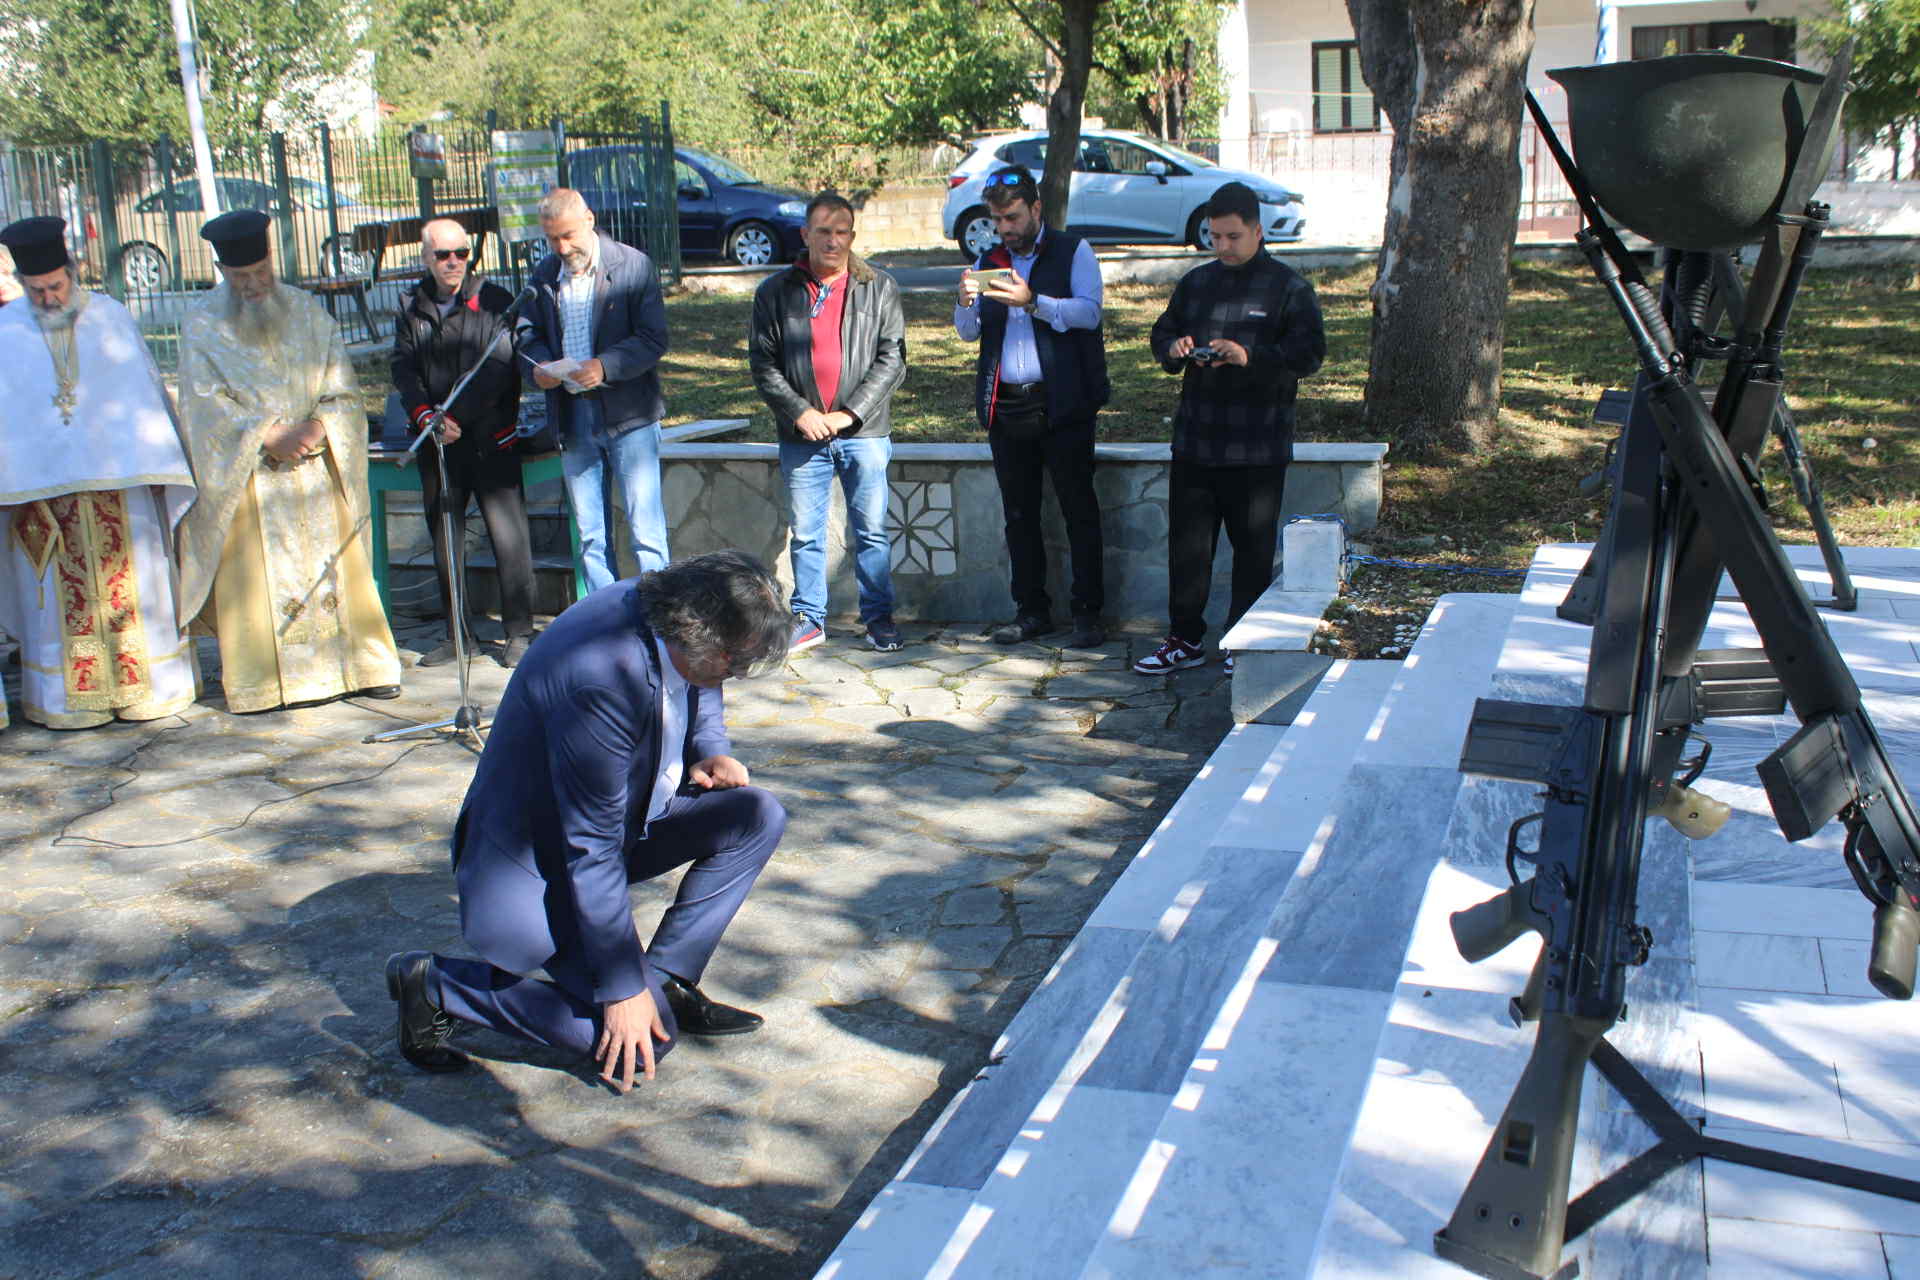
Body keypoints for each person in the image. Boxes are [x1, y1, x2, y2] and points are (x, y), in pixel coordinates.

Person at [384, 550, 792, 1092]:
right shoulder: (601, 680)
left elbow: (706, 682)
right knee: (647, 1042)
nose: (734, 676)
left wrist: (709, 746)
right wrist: (621, 989)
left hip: (628, 820)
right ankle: (437, 985)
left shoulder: (674, 605)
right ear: (700, 638)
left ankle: (666, 982)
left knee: (756, 815)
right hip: (541, 863)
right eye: (733, 663)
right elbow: (591, 847)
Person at [174, 210, 404, 712]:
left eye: (261, 272)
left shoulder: (307, 311)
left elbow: (343, 388)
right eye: (241, 277)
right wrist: (267, 434)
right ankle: (267, 684)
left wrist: (319, 427)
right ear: (222, 271)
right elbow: (202, 406)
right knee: (260, 581)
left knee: (339, 573)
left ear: (271, 261)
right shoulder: (202, 324)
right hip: (251, 478)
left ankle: (363, 667)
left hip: (316, 469)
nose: (254, 285)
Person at [0, 216, 197, 731]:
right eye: (37, 290)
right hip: (42, 500)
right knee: (53, 599)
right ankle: (70, 701)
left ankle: (148, 689)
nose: (48, 298)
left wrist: (155, 464)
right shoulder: (7, 331)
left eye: (56, 286)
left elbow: (143, 401)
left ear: (72, 272)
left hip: (122, 491)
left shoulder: (110, 318)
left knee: (137, 584)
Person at [1135, 182, 1326, 676]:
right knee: (1188, 549)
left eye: (1233, 236)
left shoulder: (1288, 288)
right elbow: (1162, 332)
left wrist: (1249, 356)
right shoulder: (1196, 283)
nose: (1223, 246)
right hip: (1196, 442)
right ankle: (1184, 638)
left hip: (1257, 446)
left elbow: (1309, 355)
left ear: (1258, 231)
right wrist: (1174, 349)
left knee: (1252, 551)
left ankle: (1244, 643)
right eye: (1214, 236)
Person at [954, 164, 1109, 649]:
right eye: (998, 220)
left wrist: (1033, 301)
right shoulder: (990, 259)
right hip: (1007, 406)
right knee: (1019, 516)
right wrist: (964, 301)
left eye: (1014, 217)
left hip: (1063, 403)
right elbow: (969, 333)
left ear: (1036, 209)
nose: (1006, 228)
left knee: (1077, 510)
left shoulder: (1072, 250)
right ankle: (1031, 611)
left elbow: (1089, 313)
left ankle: (1088, 614)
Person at [749, 192, 908, 653]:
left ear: (852, 236)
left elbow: (893, 359)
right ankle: (810, 619)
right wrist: (800, 412)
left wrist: (849, 413)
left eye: (841, 232)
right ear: (805, 234)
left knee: (872, 532)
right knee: (806, 534)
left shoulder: (879, 287)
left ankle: (878, 618)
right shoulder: (775, 292)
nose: (832, 241)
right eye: (823, 232)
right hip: (803, 434)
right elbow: (763, 364)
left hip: (864, 432)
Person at [391, 217, 538, 669]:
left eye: (462, 253)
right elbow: (403, 368)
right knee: (445, 540)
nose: (453, 262)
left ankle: (519, 633)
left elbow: (498, 368)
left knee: (509, 538)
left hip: (490, 440)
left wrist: (454, 417)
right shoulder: (411, 305)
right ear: (426, 257)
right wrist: (425, 416)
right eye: (443, 255)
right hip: (438, 444)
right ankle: (459, 635)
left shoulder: (495, 301)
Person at [520, 188, 671, 592]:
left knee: (646, 530)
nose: (562, 247)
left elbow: (653, 339)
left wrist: (605, 365)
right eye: (552, 238)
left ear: (589, 219)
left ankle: (660, 615)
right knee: (590, 535)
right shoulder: (544, 275)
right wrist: (538, 368)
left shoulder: (632, 266)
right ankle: (603, 616)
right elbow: (527, 334)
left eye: (568, 235)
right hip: (572, 415)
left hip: (629, 414)